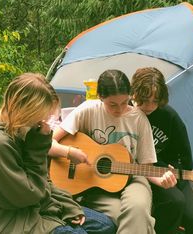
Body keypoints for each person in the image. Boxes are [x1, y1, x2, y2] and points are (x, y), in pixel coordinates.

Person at [0, 72, 116, 234]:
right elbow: (27, 196)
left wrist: (68, 205)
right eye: (43, 117)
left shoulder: (24, 131)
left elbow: (43, 181)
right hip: (6, 218)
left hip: (34, 202)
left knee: (104, 225)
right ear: (26, 111)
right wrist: (39, 145)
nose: (46, 123)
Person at [49, 69, 177, 234]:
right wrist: (69, 152)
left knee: (138, 209)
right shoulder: (88, 110)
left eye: (124, 102)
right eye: (113, 104)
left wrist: (162, 180)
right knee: (118, 218)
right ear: (101, 97)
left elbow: (147, 165)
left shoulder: (139, 119)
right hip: (98, 183)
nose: (119, 109)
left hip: (133, 176)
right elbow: (48, 143)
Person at [130, 67, 193, 234]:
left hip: (166, 173)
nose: (149, 106)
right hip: (135, 173)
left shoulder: (169, 116)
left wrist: (174, 168)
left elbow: (185, 158)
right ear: (134, 93)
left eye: (155, 101)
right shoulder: (125, 112)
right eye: (144, 100)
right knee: (175, 202)